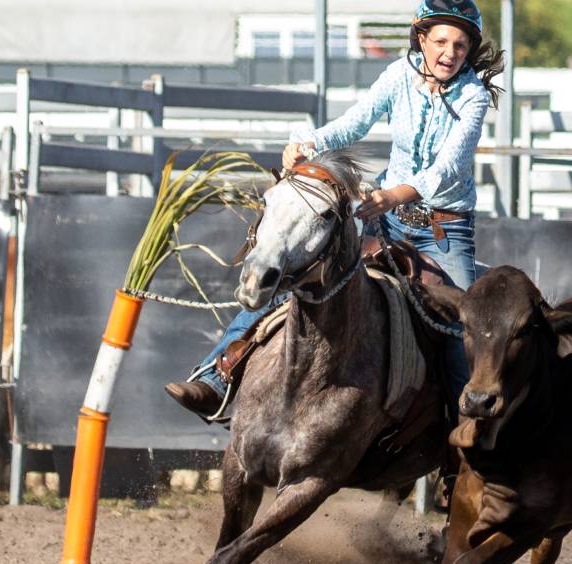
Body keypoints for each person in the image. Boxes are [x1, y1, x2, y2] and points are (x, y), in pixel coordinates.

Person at [165, 0, 505, 420]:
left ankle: (465, 441)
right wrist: (308, 144)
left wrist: (396, 194)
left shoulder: (472, 95)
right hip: (384, 218)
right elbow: (355, 123)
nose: (449, 53)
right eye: (440, 41)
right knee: (295, 275)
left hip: (444, 229)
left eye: (460, 44)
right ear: (422, 39)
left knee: (460, 325)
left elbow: (449, 164)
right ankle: (217, 378)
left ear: (469, 49)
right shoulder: (399, 75)